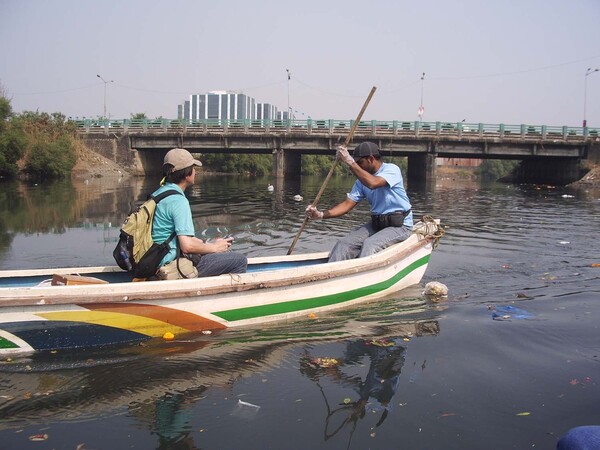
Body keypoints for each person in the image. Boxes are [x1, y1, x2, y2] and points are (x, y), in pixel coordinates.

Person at [305, 142, 413, 262]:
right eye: (356, 163)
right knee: (343, 244)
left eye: (360, 162)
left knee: (370, 245)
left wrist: (350, 162)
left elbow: (374, 183)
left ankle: (365, 277)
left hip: (400, 225)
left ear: (371, 159)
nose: (358, 166)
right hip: (377, 224)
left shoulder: (391, 170)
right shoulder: (361, 182)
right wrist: (320, 215)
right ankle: (330, 273)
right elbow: (347, 205)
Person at [151, 148, 247, 277]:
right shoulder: (178, 201)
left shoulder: (158, 194)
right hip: (171, 265)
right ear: (187, 174)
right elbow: (187, 246)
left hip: (155, 259)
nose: (195, 172)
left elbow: (178, 237)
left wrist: (208, 244)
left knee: (211, 252)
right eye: (193, 168)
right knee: (239, 261)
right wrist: (215, 248)